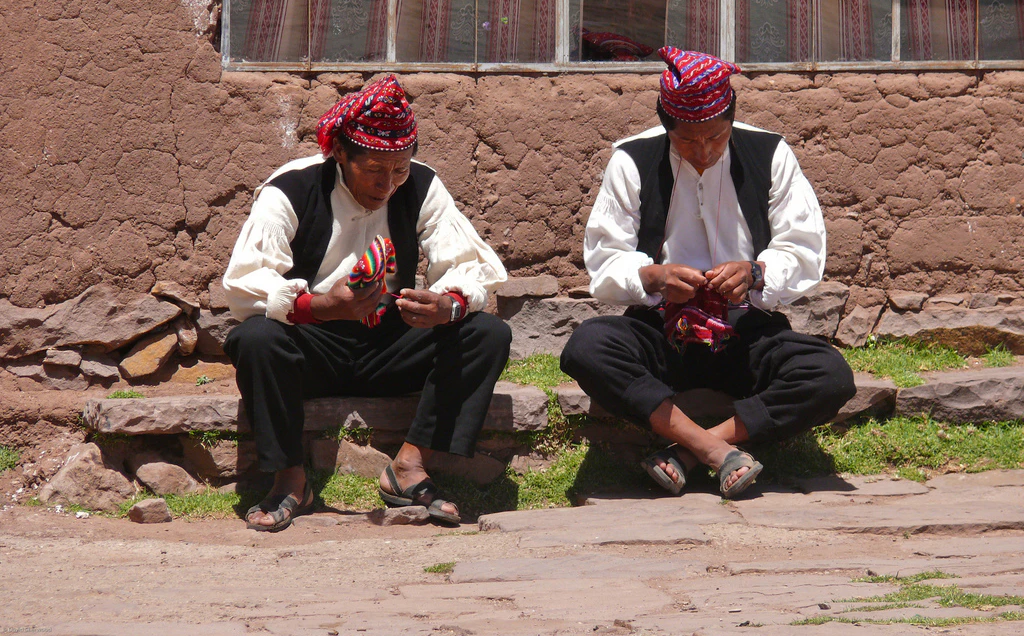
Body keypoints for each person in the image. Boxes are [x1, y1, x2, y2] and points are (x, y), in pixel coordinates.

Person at [560, 48, 856, 499]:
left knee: (829, 374)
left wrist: (756, 272)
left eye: (716, 137)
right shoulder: (631, 160)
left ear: (732, 118)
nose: (703, 151)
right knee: (588, 347)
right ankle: (714, 450)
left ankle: (693, 450)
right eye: (687, 142)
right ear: (666, 125)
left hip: (745, 331)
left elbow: (805, 247)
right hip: (661, 329)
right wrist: (653, 277)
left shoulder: (770, 153)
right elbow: (603, 259)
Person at [223, 75, 511, 530]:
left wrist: (446, 305)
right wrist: (317, 307)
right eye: (374, 170)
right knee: (256, 339)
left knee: (486, 333)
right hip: (312, 343)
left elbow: (466, 265)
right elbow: (243, 284)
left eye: (399, 170)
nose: (388, 184)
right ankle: (290, 479)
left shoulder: (421, 186)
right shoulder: (290, 189)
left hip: (390, 344)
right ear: (340, 153)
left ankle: (409, 468)